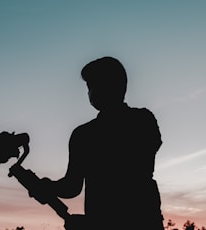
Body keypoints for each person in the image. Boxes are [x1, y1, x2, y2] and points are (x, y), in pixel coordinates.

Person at [29, 56, 165, 230]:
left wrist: (47, 188)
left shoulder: (85, 134)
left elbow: (73, 186)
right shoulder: (143, 120)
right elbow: (74, 186)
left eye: (92, 85)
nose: (90, 91)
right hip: (142, 220)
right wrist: (48, 187)